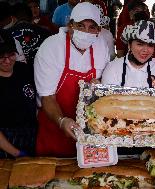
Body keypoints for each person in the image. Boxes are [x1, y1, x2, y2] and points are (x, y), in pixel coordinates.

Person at [34, 2, 110, 157]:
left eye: (92, 27)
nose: (86, 31)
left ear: (99, 30)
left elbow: (103, 82)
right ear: (70, 25)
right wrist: (62, 121)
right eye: (80, 26)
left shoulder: (101, 46)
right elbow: (47, 96)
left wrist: (99, 86)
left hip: (89, 130)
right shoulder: (51, 48)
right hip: (55, 126)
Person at [0, 29, 37, 158]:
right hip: (6, 143)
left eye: (10, 54)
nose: (7, 60)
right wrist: (16, 153)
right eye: (1, 56)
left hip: (32, 135)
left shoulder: (25, 70)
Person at [102, 20, 155, 88]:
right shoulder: (113, 68)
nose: (145, 50)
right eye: (140, 44)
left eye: (150, 45)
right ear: (129, 45)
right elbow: (108, 97)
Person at [5, 3, 51, 68]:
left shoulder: (6, 34)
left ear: (13, 17)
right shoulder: (45, 31)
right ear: (30, 16)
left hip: (17, 72)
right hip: (42, 70)